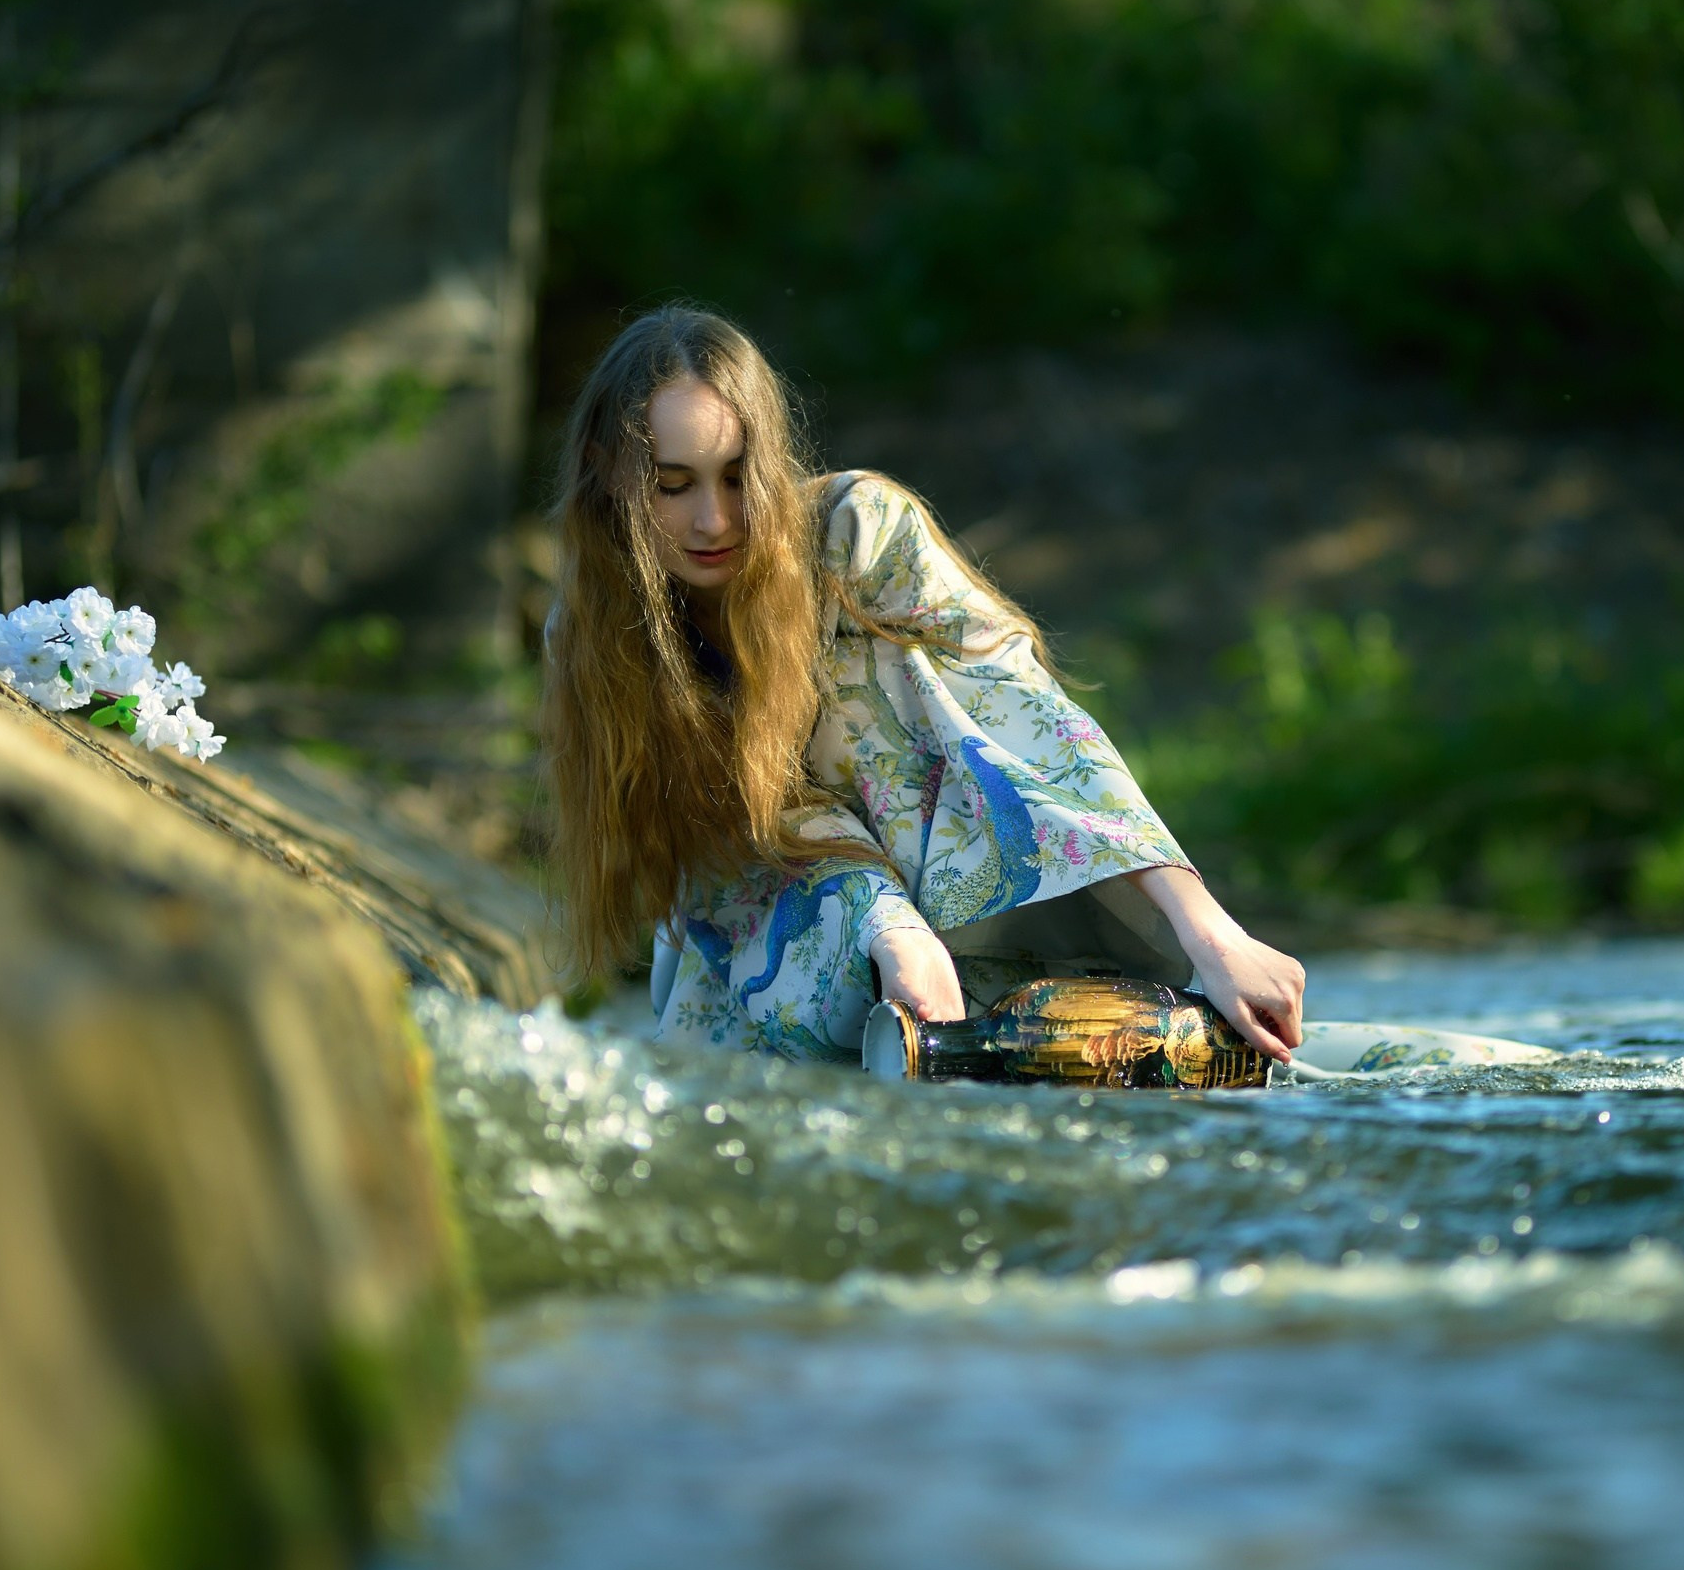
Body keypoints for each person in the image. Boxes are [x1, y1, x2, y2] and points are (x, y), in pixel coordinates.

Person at [541, 304, 1307, 1065]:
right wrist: (884, 923)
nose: (714, 519)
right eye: (673, 486)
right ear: (611, 469)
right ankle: (895, 996)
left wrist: (1213, 932)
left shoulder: (856, 531)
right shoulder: (590, 636)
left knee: (887, 670)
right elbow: (726, 840)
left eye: (739, 478)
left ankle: (1000, 979)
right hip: (764, 916)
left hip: (986, 880)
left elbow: (1027, 714)